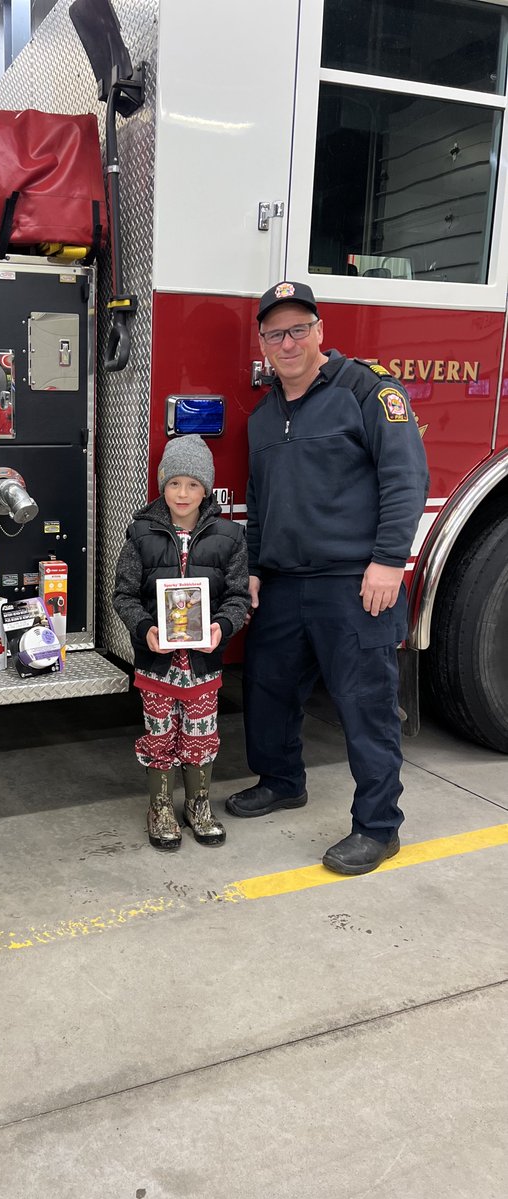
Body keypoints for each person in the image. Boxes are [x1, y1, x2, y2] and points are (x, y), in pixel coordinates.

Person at [225, 280, 429, 876]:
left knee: (364, 705)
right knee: (269, 689)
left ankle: (378, 826)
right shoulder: (263, 418)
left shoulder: (369, 392)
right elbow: (258, 503)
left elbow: (405, 478)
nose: (286, 343)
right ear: (262, 343)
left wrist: (389, 562)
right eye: (274, 333)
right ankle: (282, 781)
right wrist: (257, 568)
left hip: (354, 582)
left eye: (298, 330)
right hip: (284, 584)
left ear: (320, 332)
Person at [114, 436, 250, 850]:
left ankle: (199, 805)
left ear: (206, 488)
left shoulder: (230, 537)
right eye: (174, 483)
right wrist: (145, 630)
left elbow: (239, 597)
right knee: (159, 736)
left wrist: (221, 629)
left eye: (193, 484)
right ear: (162, 486)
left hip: (203, 665)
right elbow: (124, 595)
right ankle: (160, 807)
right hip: (157, 664)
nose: (183, 494)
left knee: (200, 735)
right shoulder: (141, 533)